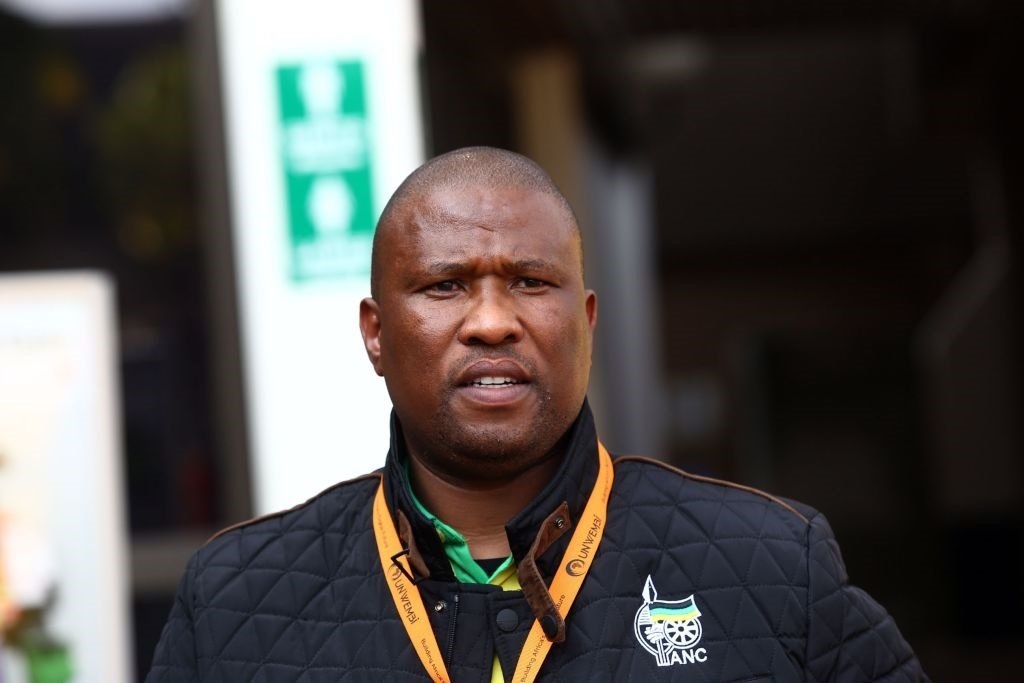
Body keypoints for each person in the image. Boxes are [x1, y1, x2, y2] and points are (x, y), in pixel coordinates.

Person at [147, 147, 928, 682]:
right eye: (445, 285)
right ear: (376, 334)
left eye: (529, 282)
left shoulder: (770, 565)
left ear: (585, 321)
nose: (492, 322)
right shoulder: (236, 600)